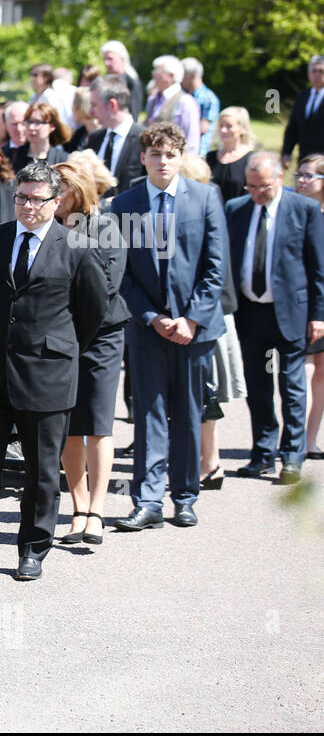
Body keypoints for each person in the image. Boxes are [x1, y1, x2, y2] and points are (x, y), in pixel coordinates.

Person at [0, 162, 107, 581]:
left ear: (57, 201)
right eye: (21, 198)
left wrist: (58, 351)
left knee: (42, 469)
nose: (27, 207)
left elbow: (92, 312)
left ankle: (33, 549)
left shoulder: (78, 246)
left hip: (47, 374)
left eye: (37, 199)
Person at [112, 123, 227, 531]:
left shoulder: (206, 198)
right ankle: (147, 501)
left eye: (170, 154)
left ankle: (184, 495)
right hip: (147, 330)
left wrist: (190, 318)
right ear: (143, 157)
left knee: (188, 413)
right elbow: (120, 273)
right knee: (149, 414)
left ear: (181, 157)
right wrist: (152, 317)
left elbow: (215, 268)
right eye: (155, 154)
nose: (163, 161)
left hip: (195, 329)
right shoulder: (123, 204)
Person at [226, 152, 324, 485]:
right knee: (257, 387)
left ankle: (292, 457)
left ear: (279, 177)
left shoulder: (304, 210)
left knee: (292, 387)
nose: (256, 193)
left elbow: (318, 268)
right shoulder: (236, 210)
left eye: (262, 186)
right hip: (251, 313)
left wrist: (319, 316)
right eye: (250, 186)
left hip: (291, 314)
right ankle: (262, 453)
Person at [53, 162, 129, 546]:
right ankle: (78, 508)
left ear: (77, 191)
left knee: (97, 424)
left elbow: (107, 288)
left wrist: (72, 327)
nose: (55, 196)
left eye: (61, 189)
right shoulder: (48, 230)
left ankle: (97, 510)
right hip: (61, 339)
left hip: (101, 336)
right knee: (69, 425)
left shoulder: (104, 227)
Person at [177, 154, 245, 492]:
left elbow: (215, 272)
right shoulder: (209, 205)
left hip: (206, 319)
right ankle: (210, 462)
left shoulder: (202, 210)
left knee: (203, 394)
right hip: (213, 316)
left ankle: (207, 463)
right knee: (206, 395)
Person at [294, 154, 324, 457]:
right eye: (298, 175)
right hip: (298, 302)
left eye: (310, 176)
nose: (301, 181)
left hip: (322, 300)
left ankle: (309, 438)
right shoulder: (291, 210)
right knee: (296, 372)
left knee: (323, 373)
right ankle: (290, 435)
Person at [86, 74, 145, 198]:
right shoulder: (95, 138)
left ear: (112, 105)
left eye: (94, 105)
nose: (90, 112)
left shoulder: (143, 140)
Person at [146, 56, 202, 155]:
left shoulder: (185, 102)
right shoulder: (153, 99)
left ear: (171, 76)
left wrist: (187, 166)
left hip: (175, 162)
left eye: (157, 72)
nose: (153, 75)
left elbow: (192, 140)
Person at [206, 106, 256, 203]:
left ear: (243, 129)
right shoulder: (210, 158)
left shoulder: (251, 160)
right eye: (221, 126)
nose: (223, 130)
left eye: (229, 126)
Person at [282, 56, 324, 170]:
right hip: (303, 161)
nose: (317, 74)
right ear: (309, 74)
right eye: (314, 71)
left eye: (321, 71)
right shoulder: (302, 96)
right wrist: (286, 153)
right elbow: (292, 128)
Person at [11, 102, 70, 173]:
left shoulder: (63, 159)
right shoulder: (14, 156)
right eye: (29, 122)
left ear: (52, 126)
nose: (31, 127)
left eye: (38, 122)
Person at [181, 57, 221, 156]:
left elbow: (203, 128)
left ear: (193, 76)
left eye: (183, 75)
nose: (180, 78)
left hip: (198, 153)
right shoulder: (184, 96)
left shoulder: (208, 98)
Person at [101, 40, 145, 119]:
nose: (106, 63)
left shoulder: (131, 83)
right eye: (104, 59)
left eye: (110, 59)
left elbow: (134, 114)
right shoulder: (104, 82)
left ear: (122, 58)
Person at [65, 87, 101, 153]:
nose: (72, 109)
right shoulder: (80, 133)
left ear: (79, 107)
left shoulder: (104, 133)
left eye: (74, 104)